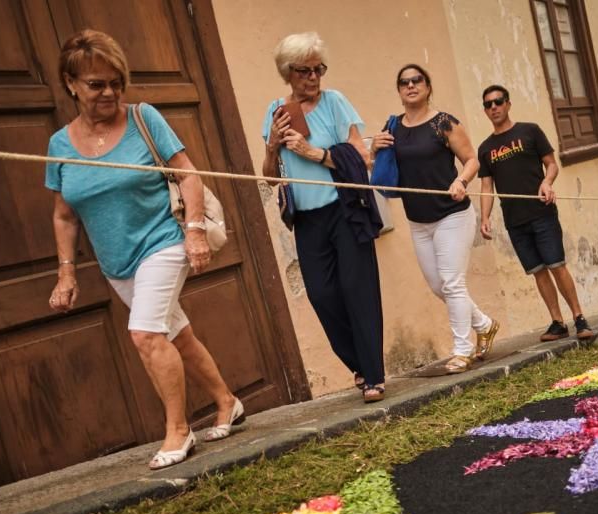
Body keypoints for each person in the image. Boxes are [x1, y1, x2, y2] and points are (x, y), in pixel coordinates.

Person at [46, 30, 242, 470]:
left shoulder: (143, 118)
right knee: (177, 335)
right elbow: (64, 215)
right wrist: (67, 272)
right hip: (117, 262)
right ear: (71, 83)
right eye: (97, 84)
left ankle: (178, 430)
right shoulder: (60, 144)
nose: (110, 92)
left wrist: (193, 232)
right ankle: (227, 401)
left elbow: (188, 175)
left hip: (163, 240)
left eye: (116, 82)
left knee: (146, 335)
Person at [262, 32, 386, 402]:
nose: (313, 78)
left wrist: (314, 153)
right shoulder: (277, 111)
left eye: (319, 69)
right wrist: (272, 146)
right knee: (322, 295)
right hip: (307, 221)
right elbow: (270, 176)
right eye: (304, 71)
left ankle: (373, 375)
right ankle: (359, 365)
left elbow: (360, 158)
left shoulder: (335, 102)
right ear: (288, 73)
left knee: (357, 290)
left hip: (344, 211)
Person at [372, 64, 499, 374]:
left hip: (451, 215)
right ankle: (484, 324)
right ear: (399, 90)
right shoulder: (392, 128)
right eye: (404, 82)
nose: (411, 85)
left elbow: (472, 160)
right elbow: (381, 170)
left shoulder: (444, 123)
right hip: (419, 220)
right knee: (437, 285)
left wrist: (461, 182)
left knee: (452, 282)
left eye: (417, 80)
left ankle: (461, 349)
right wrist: (374, 150)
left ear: (428, 86)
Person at [476, 85, 595, 342]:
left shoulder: (530, 131)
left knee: (557, 265)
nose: (494, 107)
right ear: (485, 111)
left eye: (498, 102)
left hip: (542, 212)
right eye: (488, 104)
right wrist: (484, 218)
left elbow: (551, 164)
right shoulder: (486, 148)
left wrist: (546, 183)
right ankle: (557, 322)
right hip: (514, 220)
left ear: (508, 103)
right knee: (538, 271)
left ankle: (579, 318)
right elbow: (487, 186)